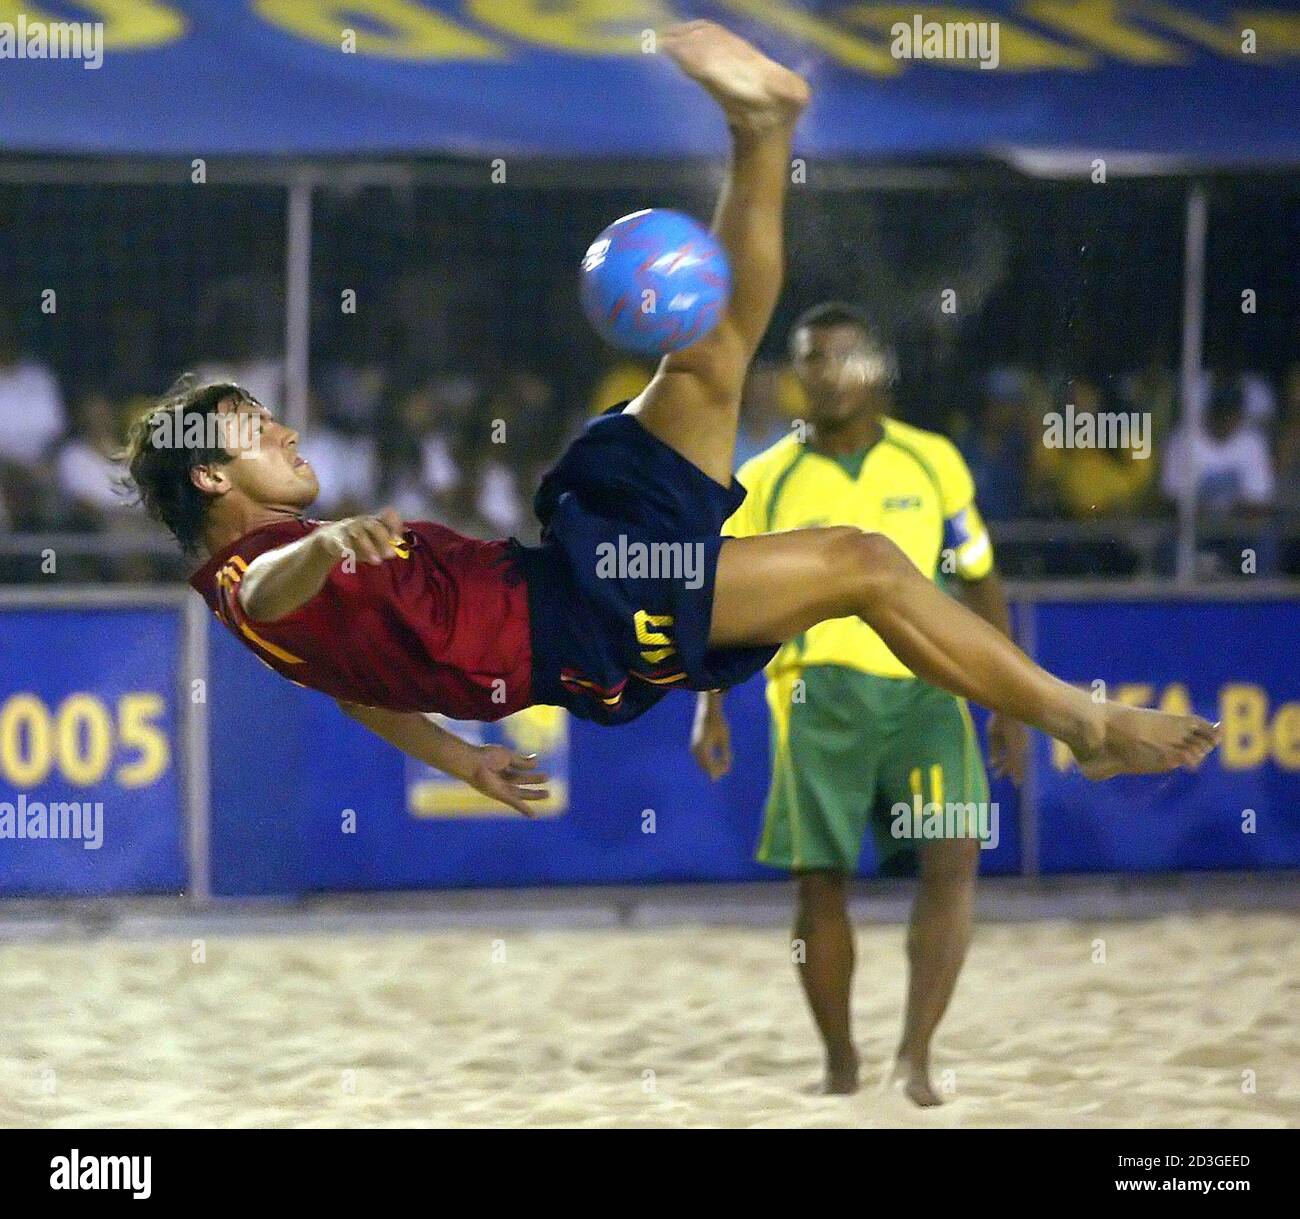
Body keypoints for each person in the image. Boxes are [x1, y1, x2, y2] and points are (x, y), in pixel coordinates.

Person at [124, 22, 1216, 819]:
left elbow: (357, 692)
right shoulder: (250, 584)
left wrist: (460, 761)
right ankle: (1086, 721)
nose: (285, 431)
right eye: (253, 428)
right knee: (866, 562)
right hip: (587, 621)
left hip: (568, 568)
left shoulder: (287, 617)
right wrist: (318, 548)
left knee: (710, 356)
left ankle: (760, 130)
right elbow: (270, 588)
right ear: (208, 479)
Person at [691, 302, 1026, 1104]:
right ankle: (841, 1063)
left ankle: (915, 1055)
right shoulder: (766, 476)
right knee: (820, 884)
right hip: (816, 698)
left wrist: (1008, 700)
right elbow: (718, 599)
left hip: (931, 687)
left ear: (877, 367)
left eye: (843, 357)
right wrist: (708, 704)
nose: (826, 372)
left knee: (954, 859)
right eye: (811, 359)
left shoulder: (933, 460)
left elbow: (978, 573)